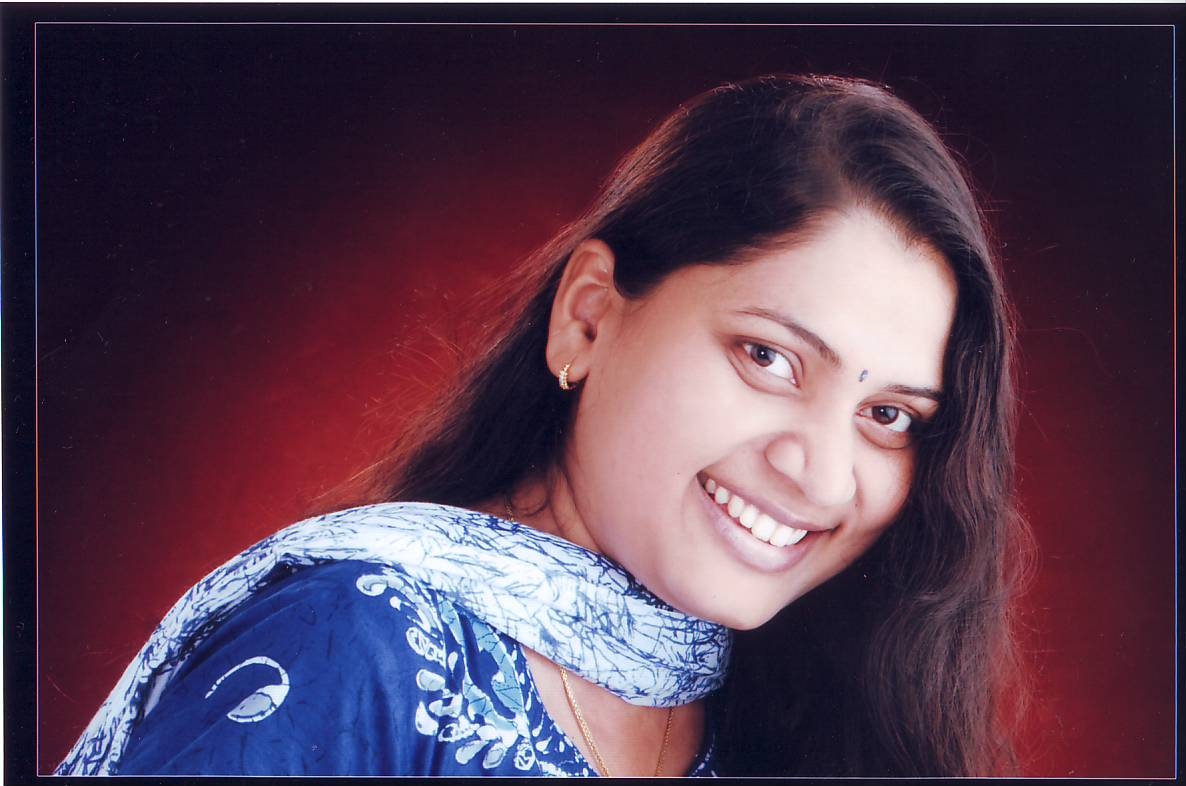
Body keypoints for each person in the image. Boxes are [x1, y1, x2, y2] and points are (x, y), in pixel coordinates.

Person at [57, 73, 1029, 777]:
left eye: (888, 415)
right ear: (589, 317)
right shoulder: (357, 645)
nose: (818, 472)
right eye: (767, 357)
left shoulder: (793, 713)